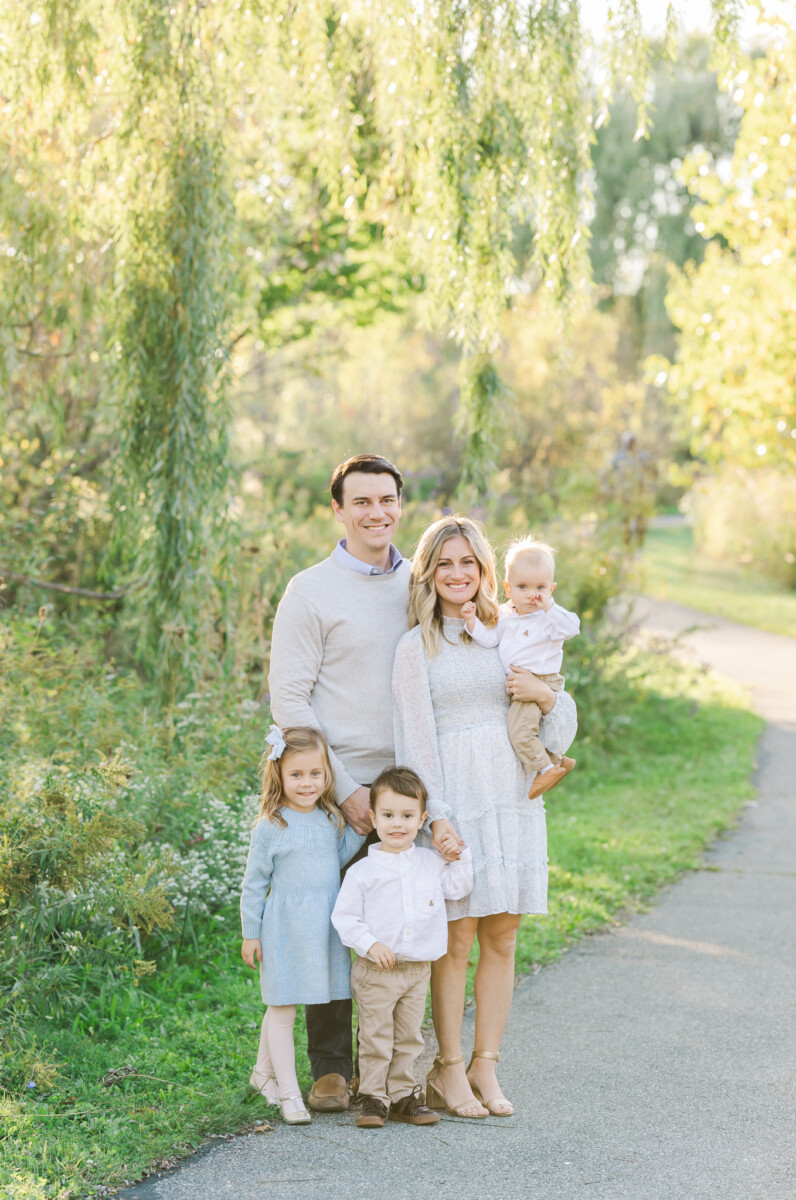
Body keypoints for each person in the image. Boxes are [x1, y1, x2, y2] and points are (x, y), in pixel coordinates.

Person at [391, 516, 577, 1119]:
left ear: (484, 570)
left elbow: (558, 718)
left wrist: (549, 698)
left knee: (503, 934)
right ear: (428, 572)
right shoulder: (416, 645)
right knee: (458, 937)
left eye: (467, 562)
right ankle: (446, 1070)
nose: (457, 574)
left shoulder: (511, 628)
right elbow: (414, 741)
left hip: (513, 798)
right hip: (457, 803)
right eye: (444, 563)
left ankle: (484, 1065)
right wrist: (435, 817)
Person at [267, 454, 412, 1112]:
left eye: (387, 500)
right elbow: (290, 701)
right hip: (331, 782)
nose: (376, 512)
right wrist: (346, 787)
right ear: (338, 511)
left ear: (400, 505)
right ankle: (331, 1066)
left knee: (401, 920)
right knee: (332, 921)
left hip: (409, 781)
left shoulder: (422, 584)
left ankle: (396, 1068)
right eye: (362, 502)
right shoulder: (310, 590)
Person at [332, 767, 473, 1129]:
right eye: (389, 815)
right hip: (377, 969)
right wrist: (370, 943)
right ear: (373, 817)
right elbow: (345, 918)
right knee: (376, 1035)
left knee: (409, 1036)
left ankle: (402, 1096)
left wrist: (459, 853)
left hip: (416, 969)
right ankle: (374, 1097)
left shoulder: (430, 862)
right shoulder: (362, 872)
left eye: (408, 816)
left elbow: (458, 888)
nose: (398, 824)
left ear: (422, 820)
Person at [240, 725, 364, 1124]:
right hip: (286, 928)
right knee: (282, 1005)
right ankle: (290, 1093)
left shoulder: (330, 819)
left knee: (287, 998)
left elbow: (343, 852)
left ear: (327, 775)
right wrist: (250, 933)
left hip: (323, 929)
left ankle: (262, 1076)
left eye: (315, 774)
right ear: (278, 776)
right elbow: (254, 884)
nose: (307, 783)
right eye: (296, 775)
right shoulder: (271, 826)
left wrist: (372, 821)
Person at [462, 535, 580, 799]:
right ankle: (558, 760)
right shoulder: (505, 615)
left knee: (519, 730)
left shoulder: (549, 617)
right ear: (508, 587)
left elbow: (572, 628)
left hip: (541, 681)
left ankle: (545, 769)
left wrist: (549, 606)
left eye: (541, 587)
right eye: (523, 586)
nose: (532, 595)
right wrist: (471, 622)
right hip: (521, 684)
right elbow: (490, 639)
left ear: (551, 588)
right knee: (528, 729)